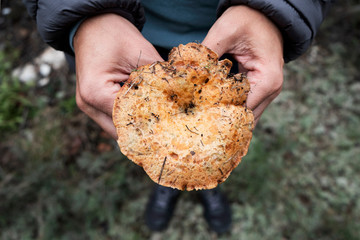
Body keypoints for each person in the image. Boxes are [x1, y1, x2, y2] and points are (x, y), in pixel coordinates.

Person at [22, 0, 333, 234]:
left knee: (212, 148)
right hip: (128, 39)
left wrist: (275, 8)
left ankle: (206, 184)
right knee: (158, 143)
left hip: (232, 43)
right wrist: (84, 14)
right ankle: (168, 182)